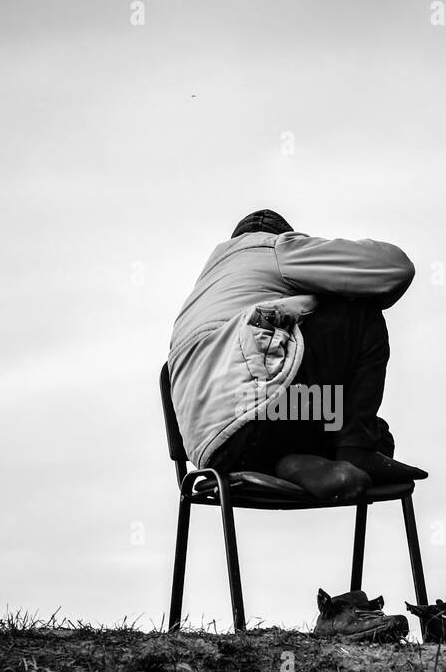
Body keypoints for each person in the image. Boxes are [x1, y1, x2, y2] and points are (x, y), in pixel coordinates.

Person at [167, 209, 428, 502]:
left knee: (377, 434)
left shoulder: (198, 299)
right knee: (360, 311)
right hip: (259, 414)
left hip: (220, 455)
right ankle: (357, 453)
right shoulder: (270, 249)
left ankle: (287, 461)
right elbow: (395, 269)